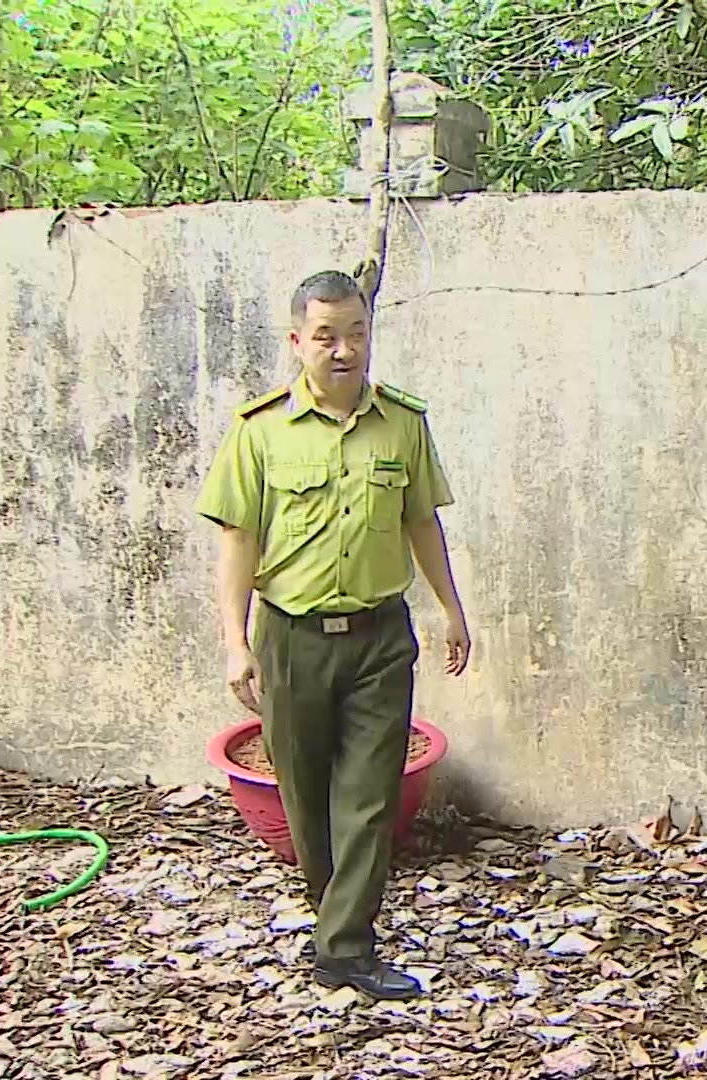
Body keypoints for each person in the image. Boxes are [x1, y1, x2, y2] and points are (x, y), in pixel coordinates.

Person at [195, 270, 472, 1000]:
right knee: (305, 792)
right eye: (326, 337)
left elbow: (422, 521)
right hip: (293, 637)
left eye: (356, 334)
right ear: (297, 343)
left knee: (370, 792)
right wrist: (235, 639)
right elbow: (238, 539)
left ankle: (346, 944)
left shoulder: (404, 425)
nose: (344, 351)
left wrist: (451, 608)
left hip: (382, 636)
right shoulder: (259, 432)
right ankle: (334, 917)